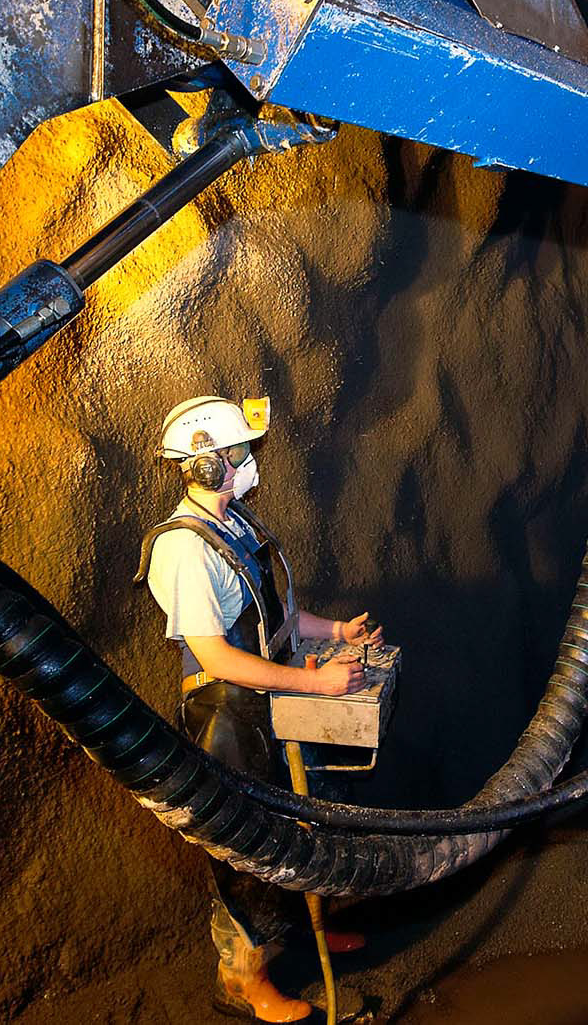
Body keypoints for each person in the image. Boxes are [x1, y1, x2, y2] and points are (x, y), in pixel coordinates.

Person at [140, 395, 382, 1023]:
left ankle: (303, 932)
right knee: (247, 852)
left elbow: (272, 613)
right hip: (226, 714)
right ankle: (244, 980)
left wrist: (335, 633)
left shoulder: (235, 525)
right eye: (240, 453)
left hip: (270, 701)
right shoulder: (184, 549)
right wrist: (320, 686)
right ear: (204, 466)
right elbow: (215, 657)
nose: (251, 463)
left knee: (300, 829)